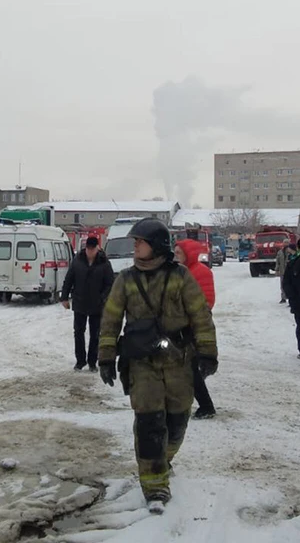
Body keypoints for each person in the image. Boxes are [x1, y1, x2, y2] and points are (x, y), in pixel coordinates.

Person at [98, 218, 218, 513]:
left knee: (177, 421)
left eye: (140, 241)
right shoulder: (125, 279)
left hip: (179, 359)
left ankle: (163, 461)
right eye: (135, 241)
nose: (135, 246)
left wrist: (208, 354)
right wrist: (105, 357)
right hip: (141, 363)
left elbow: (201, 316)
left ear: (157, 246)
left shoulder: (181, 277)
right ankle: (154, 489)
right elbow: (111, 320)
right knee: (150, 422)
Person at [174, 240, 217, 419]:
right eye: (174, 251)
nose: (175, 255)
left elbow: (207, 300)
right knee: (184, 366)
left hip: (195, 326)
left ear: (188, 254)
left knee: (191, 367)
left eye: (179, 252)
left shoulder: (201, 272)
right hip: (180, 325)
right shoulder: (178, 272)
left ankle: (206, 406)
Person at [61, 236, 115, 371]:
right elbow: (69, 279)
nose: (90, 252)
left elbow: (110, 284)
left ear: (97, 248)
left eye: (92, 249)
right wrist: (64, 297)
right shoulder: (77, 261)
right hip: (80, 302)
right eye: (88, 249)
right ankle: (80, 361)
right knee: (78, 332)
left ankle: (92, 362)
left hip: (97, 305)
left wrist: (103, 297)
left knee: (95, 334)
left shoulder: (104, 263)